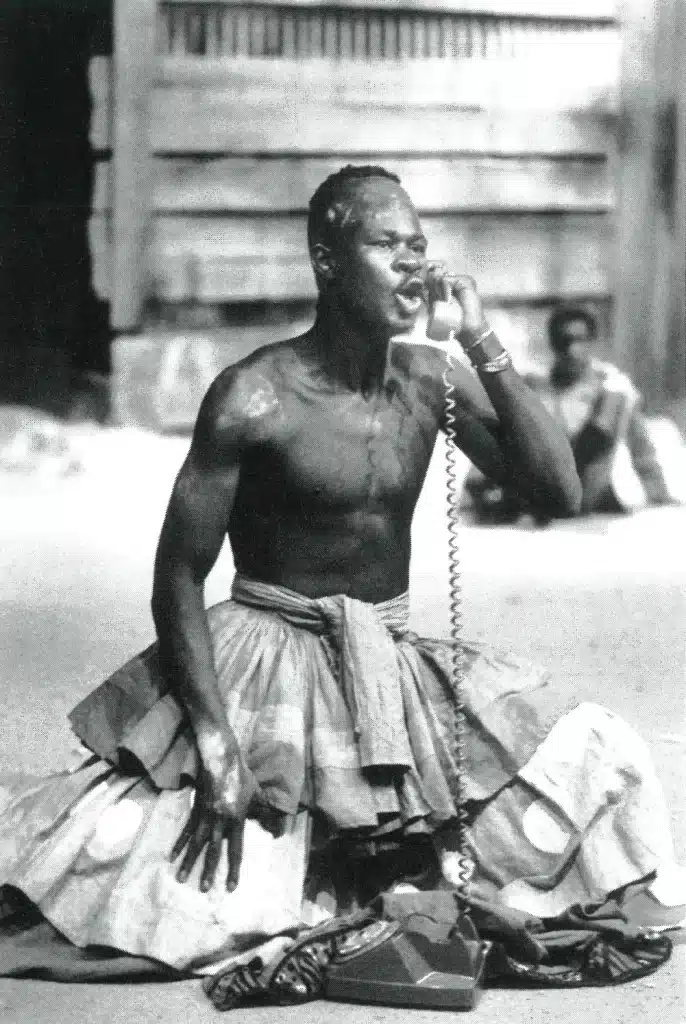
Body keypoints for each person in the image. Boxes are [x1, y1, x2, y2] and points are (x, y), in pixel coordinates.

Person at [0, 166, 683, 979]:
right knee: (205, 906)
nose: (413, 263)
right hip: (266, 664)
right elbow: (177, 575)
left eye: (419, 245)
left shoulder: (430, 379)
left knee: (601, 761)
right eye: (387, 245)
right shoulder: (252, 397)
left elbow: (559, 489)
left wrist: (481, 340)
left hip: (385, 665)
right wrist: (216, 742)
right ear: (327, 261)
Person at [466, 306, 684, 523]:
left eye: (580, 341)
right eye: (564, 341)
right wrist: (478, 481)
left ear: (592, 343)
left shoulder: (611, 388)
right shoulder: (536, 384)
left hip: (585, 489)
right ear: (553, 345)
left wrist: (658, 493)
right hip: (539, 481)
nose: (572, 350)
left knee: (615, 395)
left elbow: (641, 449)